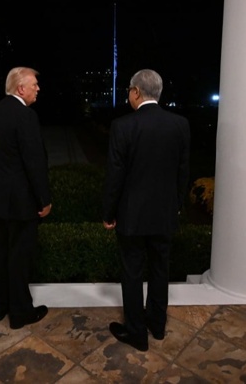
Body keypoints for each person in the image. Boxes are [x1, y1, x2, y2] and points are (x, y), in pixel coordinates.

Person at [102, 69, 191, 351]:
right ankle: (157, 326)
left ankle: (136, 333)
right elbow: (183, 172)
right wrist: (176, 205)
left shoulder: (122, 126)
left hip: (132, 216)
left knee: (132, 272)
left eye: (129, 89)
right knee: (160, 269)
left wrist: (108, 213)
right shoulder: (180, 124)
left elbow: (115, 176)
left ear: (136, 92)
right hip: (165, 214)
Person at [0, 66, 52, 330]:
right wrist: (44, 199)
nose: (38, 88)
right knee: (19, 258)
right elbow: (34, 163)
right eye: (34, 84)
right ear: (21, 88)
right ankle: (21, 313)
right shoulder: (25, 116)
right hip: (21, 202)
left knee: (1, 253)